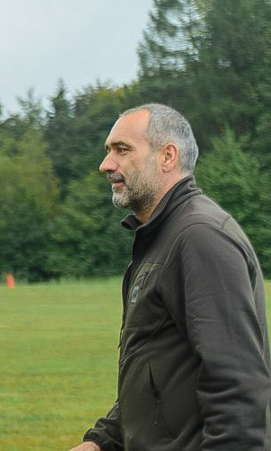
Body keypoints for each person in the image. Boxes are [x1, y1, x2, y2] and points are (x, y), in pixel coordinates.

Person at [70, 104, 271, 451]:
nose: (106, 164)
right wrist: (103, 441)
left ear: (167, 157)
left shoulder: (199, 237)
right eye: (108, 151)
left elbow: (238, 389)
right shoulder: (160, 237)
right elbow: (157, 374)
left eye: (122, 150)